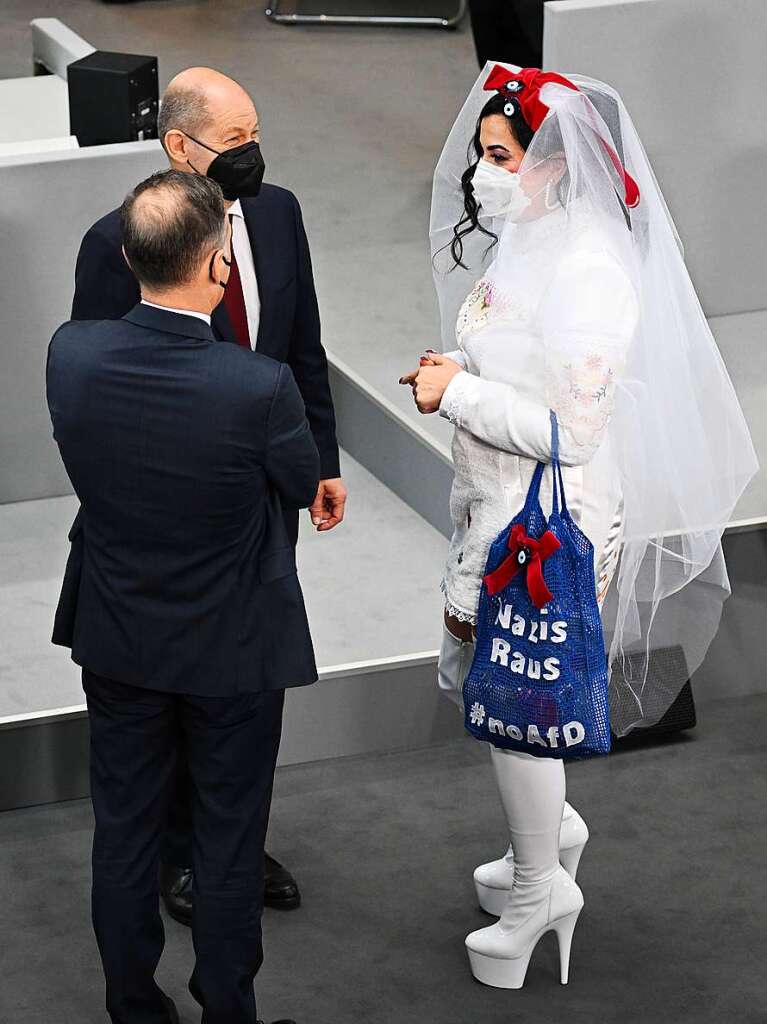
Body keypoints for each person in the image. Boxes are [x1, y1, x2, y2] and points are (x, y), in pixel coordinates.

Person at [401, 63, 756, 988]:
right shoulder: (531, 234)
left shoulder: (592, 270)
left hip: (545, 527)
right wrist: (465, 368)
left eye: (497, 157)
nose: (480, 174)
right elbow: (517, 361)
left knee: (517, 705)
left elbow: (574, 428)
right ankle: (546, 836)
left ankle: (534, 894)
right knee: (485, 684)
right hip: (495, 501)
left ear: (552, 167)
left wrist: (461, 391)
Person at [63, 66, 347, 923]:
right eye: (233, 140)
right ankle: (181, 855)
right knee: (178, 688)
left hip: (264, 505)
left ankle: (229, 844)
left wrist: (321, 461)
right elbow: (103, 392)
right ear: (178, 148)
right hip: (170, 516)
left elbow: (303, 347)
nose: (251, 154)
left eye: (255, 133)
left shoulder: (280, 212)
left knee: (244, 689)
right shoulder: (113, 243)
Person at [47, 170, 313, 1024]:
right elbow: (299, 482)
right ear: (220, 266)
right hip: (232, 650)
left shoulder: (70, 354)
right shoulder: (255, 387)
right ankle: (226, 1009)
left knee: (123, 835)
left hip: (120, 635)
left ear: (128, 259)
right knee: (228, 838)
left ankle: (134, 1009)